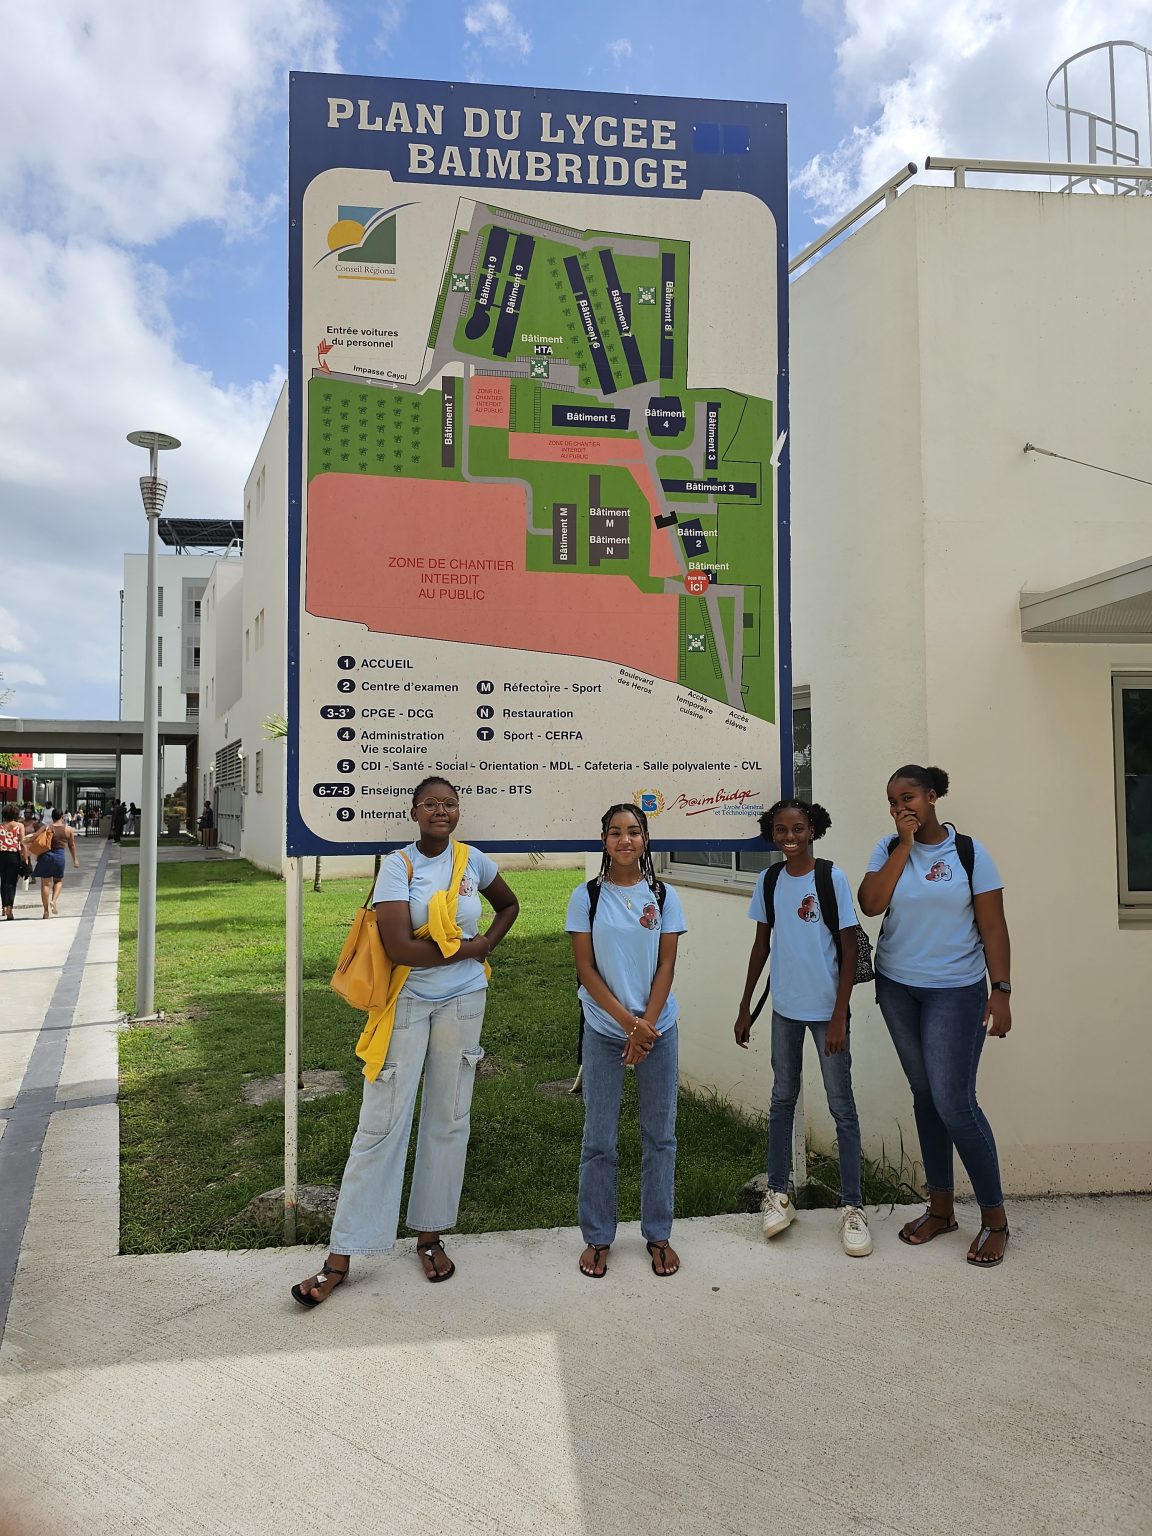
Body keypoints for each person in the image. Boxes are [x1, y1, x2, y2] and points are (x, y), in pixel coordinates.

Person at [292, 776, 520, 1306]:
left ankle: (430, 1235)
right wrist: (469, 949)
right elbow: (398, 947)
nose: (442, 811)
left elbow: (508, 905)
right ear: (415, 812)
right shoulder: (399, 865)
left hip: (464, 1001)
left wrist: (487, 942)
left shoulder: (472, 861)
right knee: (381, 1123)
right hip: (409, 1002)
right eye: (431, 804)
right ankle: (341, 1255)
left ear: (458, 812)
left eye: (450, 804)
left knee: (449, 1117)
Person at [858, 764, 1012, 1268]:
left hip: (956, 992)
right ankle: (941, 1209)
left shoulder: (970, 853)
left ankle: (995, 1220)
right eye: (892, 801)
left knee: (955, 1102)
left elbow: (994, 926)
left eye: (908, 797)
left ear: (931, 796)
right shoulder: (888, 849)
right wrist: (904, 845)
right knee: (925, 1096)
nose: (900, 807)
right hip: (898, 988)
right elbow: (871, 904)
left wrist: (1001, 990)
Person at [734, 799, 872, 1257]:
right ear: (771, 833)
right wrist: (745, 1005)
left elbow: (849, 949)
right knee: (781, 1099)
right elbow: (761, 945)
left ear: (812, 830)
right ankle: (777, 1194)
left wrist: (838, 1014)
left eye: (797, 828)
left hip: (828, 1013)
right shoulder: (770, 880)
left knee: (841, 1106)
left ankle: (852, 1206)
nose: (789, 837)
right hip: (785, 1011)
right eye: (780, 830)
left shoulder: (831, 878)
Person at [566, 803, 688, 1280]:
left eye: (634, 832)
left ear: (645, 840)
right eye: (615, 832)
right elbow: (585, 969)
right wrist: (627, 1024)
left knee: (661, 1136)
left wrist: (646, 1025)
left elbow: (667, 964)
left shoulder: (663, 894)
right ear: (604, 840)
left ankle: (658, 1234)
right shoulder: (587, 896)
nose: (625, 840)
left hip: (659, 1028)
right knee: (599, 1139)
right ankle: (598, 1237)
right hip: (604, 1028)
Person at [33, 809, 79, 918]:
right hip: (59, 856)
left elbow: (35, 837)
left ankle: (45, 911)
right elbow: (71, 845)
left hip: (45, 856)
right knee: (58, 881)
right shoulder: (68, 829)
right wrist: (75, 859)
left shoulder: (46, 827)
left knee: (45, 883)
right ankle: (53, 901)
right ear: (62, 816)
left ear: (52, 817)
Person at [0, 804, 26, 921]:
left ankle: (4, 906)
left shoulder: (0, 826)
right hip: (13, 856)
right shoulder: (19, 826)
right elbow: (23, 843)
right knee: (11, 883)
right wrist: (25, 858)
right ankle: (9, 908)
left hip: (1, 855)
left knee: (3, 881)